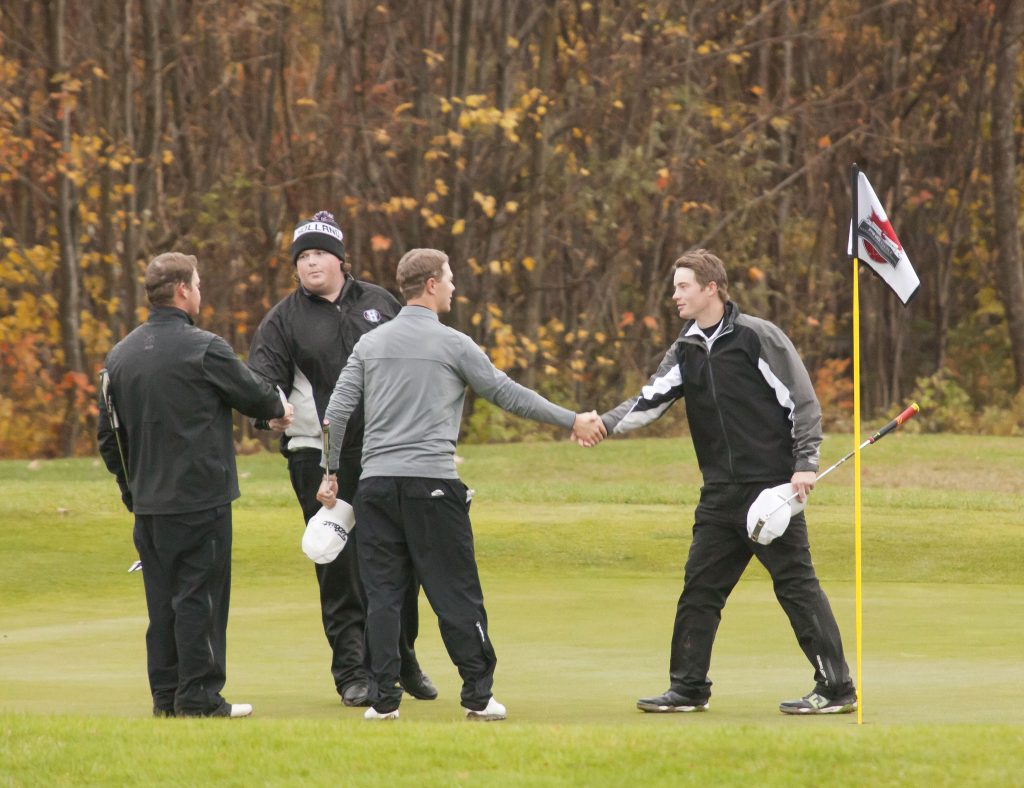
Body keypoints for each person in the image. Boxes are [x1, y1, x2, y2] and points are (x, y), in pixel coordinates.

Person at [317, 248, 606, 721]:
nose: (454, 286)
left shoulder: (368, 345)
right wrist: (571, 419)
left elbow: (336, 412)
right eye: (449, 278)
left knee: (384, 595)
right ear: (431, 284)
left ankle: (384, 702)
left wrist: (330, 473)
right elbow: (506, 393)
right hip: (432, 486)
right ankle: (477, 696)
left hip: (375, 489)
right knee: (455, 592)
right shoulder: (454, 344)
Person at [596, 249, 857, 715]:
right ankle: (689, 688)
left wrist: (805, 463)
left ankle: (837, 688)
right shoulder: (686, 347)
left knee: (796, 586)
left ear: (710, 288)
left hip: (772, 492)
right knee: (699, 589)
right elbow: (648, 401)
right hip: (718, 493)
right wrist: (602, 424)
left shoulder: (756, 337)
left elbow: (803, 402)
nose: (674, 295)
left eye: (682, 286)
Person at [247, 211, 434, 708]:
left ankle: (400, 659)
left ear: (339, 259)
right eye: (301, 257)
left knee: (400, 558)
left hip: (387, 451)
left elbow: (417, 357)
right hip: (318, 456)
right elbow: (260, 384)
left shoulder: (380, 303)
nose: (310, 263)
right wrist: (269, 413)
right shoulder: (283, 319)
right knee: (337, 562)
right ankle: (352, 671)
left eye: (318, 254)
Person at [97, 252, 293, 718]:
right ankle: (199, 697)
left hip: (149, 506)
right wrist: (277, 413)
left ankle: (167, 697)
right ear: (183, 290)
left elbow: (109, 439)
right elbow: (257, 395)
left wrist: (133, 491)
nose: (200, 292)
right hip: (200, 500)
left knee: (162, 603)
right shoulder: (205, 348)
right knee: (199, 600)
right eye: (198, 284)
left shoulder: (118, 357)